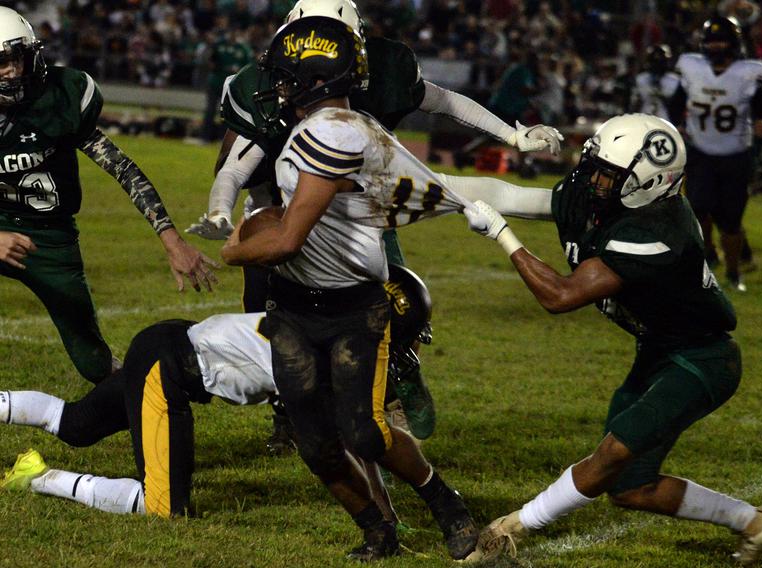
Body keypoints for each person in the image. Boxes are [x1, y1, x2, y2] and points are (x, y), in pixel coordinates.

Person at [187, 0, 563, 449]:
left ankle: (399, 370)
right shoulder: (263, 87)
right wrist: (224, 212)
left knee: (393, 299)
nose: (293, 72)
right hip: (281, 200)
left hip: (361, 206)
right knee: (267, 314)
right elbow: (232, 167)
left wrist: (520, 146)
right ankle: (290, 414)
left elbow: (444, 118)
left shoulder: (370, 102)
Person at [460, 114, 762, 566]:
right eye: (596, 164)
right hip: (657, 348)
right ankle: (754, 521)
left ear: (649, 183)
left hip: (702, 359)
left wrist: (503, 236)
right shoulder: (616, 202)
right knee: (630, 487)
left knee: (611, 453)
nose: (593, 179)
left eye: (609, 175)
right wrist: (427, 187)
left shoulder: (659, 233)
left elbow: (560, 296)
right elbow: (518, 196)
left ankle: (510, 528)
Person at [219, 16, 483, 561]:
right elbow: (235, 170)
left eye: (289, 78)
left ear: (315, 80)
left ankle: (444, 502)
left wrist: (234, 249)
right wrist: (229, 209)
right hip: (293, 305)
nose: (280, 88)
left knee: (364, 431)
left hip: (352, 307)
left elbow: (288, 238)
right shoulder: (303, 123)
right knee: (316, 443)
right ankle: (376, 528)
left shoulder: (340, 132)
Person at [0, 265, 433, 519]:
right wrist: (381, 515)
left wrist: (382, 512)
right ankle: (40, 479)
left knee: (75, 425)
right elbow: (349, 441)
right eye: (411, 338)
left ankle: (30, 462)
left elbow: (360, 439)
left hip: (165, 343)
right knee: (166, 507)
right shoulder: (325, 355)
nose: (411, 348)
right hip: (167, 367)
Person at [0, 7, 218, 385]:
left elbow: (122, 168)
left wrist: (170, 238)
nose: (11, 71)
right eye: (1, 62)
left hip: (49, 240)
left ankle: (144, 403)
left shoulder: (61, 97)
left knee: (94, 364)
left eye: (15, 58)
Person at [669, 16, 762, 292]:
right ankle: (706, 259)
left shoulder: (747, 72)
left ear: (734, 43)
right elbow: (677, 101)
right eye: (711, 40)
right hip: (700, 151)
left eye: (721, 40)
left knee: (731, 219)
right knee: (698, 208)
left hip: (735, 154)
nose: (715, 46)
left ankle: (734, 272)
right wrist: (675, 122)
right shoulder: (692, 67)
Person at [634, 44, 679, 121]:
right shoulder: (641, 78)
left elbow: (677, 105)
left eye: (661, 61)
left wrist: (660, 93)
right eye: (654, 61)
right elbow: (636, 102)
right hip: (644, 117)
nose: (657, 64)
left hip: (667, 119)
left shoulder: (674, 79)